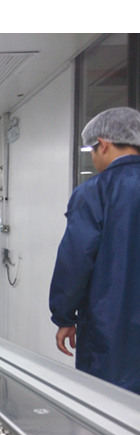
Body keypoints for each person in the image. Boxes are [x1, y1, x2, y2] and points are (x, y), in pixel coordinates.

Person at [49, 106, 140, 394]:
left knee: (109, 407)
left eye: (92, 150)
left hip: (110, 334)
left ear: (103, 144)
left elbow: (75, 260)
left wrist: (64, 317)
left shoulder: (95, 192)